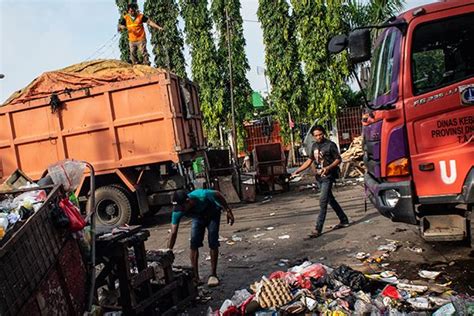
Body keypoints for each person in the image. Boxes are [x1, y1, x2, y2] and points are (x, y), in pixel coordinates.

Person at [167, 189, 235, 287]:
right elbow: (173, 232)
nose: (180, 211)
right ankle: (195, 277)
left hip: (213, 213)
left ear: (188, 201)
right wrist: (168, 251)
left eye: (182, 208)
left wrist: (228, 210)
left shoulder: (203, 195)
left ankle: (213, 274)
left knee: (213, 240)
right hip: (198, 217)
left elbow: (218, 194)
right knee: (194, 243)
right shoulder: (178, 211)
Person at [292, 125, 349, 238]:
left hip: (328, 176)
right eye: (316, 135)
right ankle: (344, 219)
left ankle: (318, 229)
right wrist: (297, 171)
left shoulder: (330, 145)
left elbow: (338, 159)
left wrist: (328, 168)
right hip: (319, 177)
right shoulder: (314, 146)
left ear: (324, 133)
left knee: (323, 201)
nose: (318, 137)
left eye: (320, 134)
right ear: (313, 136)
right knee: (330, 200)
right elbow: (310, 160)